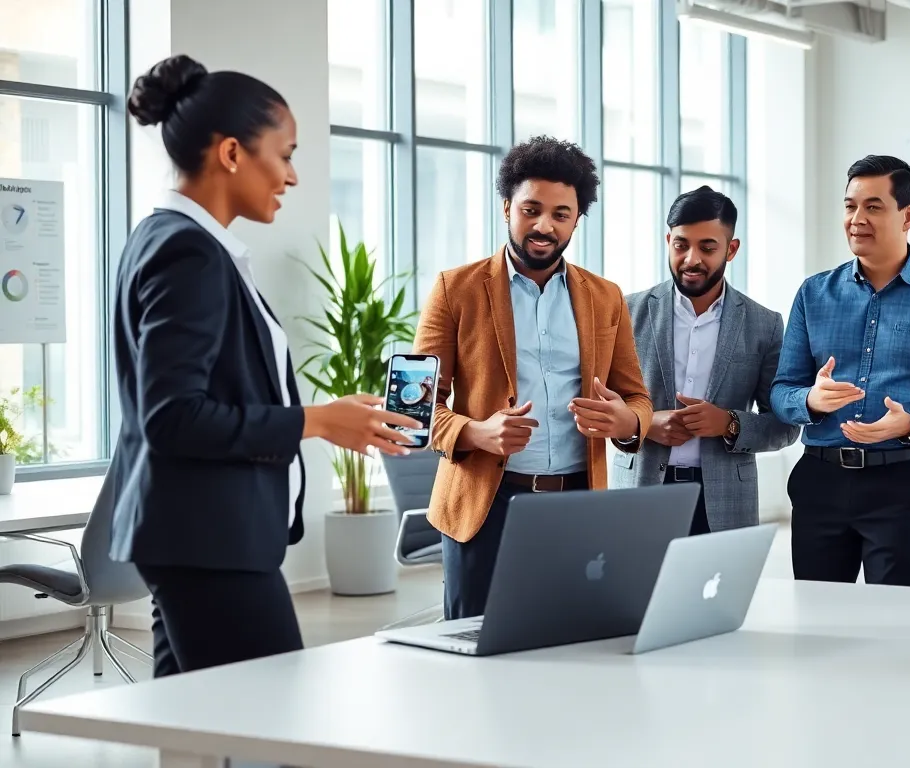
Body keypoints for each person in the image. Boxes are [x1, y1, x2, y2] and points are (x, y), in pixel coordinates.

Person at [110, 55, 421, 677]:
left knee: (195, 728)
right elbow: (173, 418)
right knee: (271, 724)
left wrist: (324, 417)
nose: (293, 176)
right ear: (231, 153)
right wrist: (317, 421)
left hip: (199, 538)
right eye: (285, 154)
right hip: (209, 544)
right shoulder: (187, 252)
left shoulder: (175, 240)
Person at [413, 135, 653, 620]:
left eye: (561, 214)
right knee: (476, 653)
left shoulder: (605, 297)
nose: (544, 225)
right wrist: (477, 432)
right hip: (485, 505)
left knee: (571, 650)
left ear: (577, 220)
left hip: (578, 505)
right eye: (531, 209)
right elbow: (412, 411)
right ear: (507, 208)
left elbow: (637, 399)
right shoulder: (454, 289)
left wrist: (624, 421)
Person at [770, 154, 910, 587]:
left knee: (893, 624)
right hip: (820, 480)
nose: (856, 219)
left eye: (873, 207)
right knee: (817, 618)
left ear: (908, 216)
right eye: (850, 206)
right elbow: (781, 391)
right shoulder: (813, 294)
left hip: (899, 484)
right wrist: (809, 400)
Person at [613, 186, 800, 533]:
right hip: (640, 491)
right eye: (681, 245)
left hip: (725, 500)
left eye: (707, 247)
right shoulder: (626, 311)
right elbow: (600, 405)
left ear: (731, 249)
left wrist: (729, 423)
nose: (691, 259)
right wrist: (646, 423)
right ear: (668, 240)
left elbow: (786, 426)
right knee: (638, 589)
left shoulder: (765, 324)